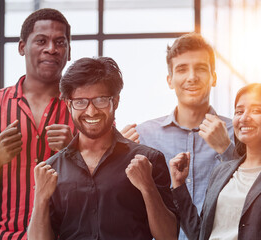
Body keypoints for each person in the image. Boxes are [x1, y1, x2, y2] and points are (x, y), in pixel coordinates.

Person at [0, 8, 75, 239]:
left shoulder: (85, 109)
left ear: (68, 52)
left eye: (60, 42)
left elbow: (106, 190)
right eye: (41, 40)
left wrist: (75, 152)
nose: (52, 48)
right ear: (22, 47)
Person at [27, 57, 178, 240]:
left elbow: (169, 236)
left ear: (115, 101)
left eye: (100, 100)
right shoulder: (52, 170)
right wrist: (40, 198)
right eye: (81, 102)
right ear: (68, 104)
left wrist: (148, 188)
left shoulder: (148, 161)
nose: (91, 111)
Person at [121, 32, 234, 239]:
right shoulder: (143, 136)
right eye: (182, 69)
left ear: (214, 77)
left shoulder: (236, 133)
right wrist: (117, 156)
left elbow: (255, 192)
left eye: (200, 68)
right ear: (170, 80)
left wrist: (228, 151)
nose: (192, 77)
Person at [170, 83, 261, 239]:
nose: (244, 118)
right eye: (239, 111)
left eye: (256, 110)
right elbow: (200, 234)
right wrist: (179, 186)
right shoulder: (221, 171)